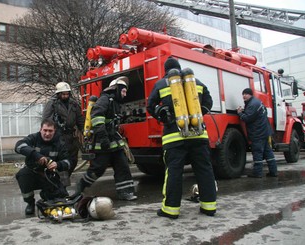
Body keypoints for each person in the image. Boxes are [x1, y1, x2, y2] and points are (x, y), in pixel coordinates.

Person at [147, 57, 217, 219]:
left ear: (166, 71)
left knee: (174, 173)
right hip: (199, 135)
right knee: (205, 171)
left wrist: (163, 115)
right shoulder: (196, 82)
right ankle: (209, 207)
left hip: (174, 137)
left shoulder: (161, 84)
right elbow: (209, 102)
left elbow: (150, 105)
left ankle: (171, 210)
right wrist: (197, 116)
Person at [71, 76, 137, 201]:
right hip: (102, 142)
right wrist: (103, 137)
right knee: (98, 169)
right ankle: (81, 186)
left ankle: (125, 192)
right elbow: (96, 116)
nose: (125, 94)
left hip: (114, 141)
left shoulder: (115, 102)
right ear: (116, 89)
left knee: (122, 165)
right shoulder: (105, 99)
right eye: (123, 91)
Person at [15, 118, 71, 216]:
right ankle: (30, 203)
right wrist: (36, 155)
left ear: (54, 131)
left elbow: (68, 162)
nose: (47, 133)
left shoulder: (60, 143)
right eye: (45, 130)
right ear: (40, 130)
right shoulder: (33, 138)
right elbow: (19, 146)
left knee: (60, 198)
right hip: (32, 172)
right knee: (22, 175)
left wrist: (58, 164)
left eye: (50, 131)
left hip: (49, 175)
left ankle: (48, 199)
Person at [42, 82, 84, 183]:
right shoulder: (52, 104)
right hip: (58, 136)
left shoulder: (73, 104)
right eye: (63, 94)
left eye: (67, 94)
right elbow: (46, 120)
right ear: (58, 94)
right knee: (61, 160)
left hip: (71, 136)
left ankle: (64, 178)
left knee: (73, 160)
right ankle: (61, 184)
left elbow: (80, 119)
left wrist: (84, 131)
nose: (65, 96)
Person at [237, 88, 278, 178]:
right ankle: (273, 172)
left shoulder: (252, 104)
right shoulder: (257, 102)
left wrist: (240, 113)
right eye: (243, 94)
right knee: (268, 153)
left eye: (246, 94)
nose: (244, 96)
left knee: (257, 153)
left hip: (257, 133)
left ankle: (258, 173)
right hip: (264, 132)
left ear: (250, 94)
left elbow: (247, 118)